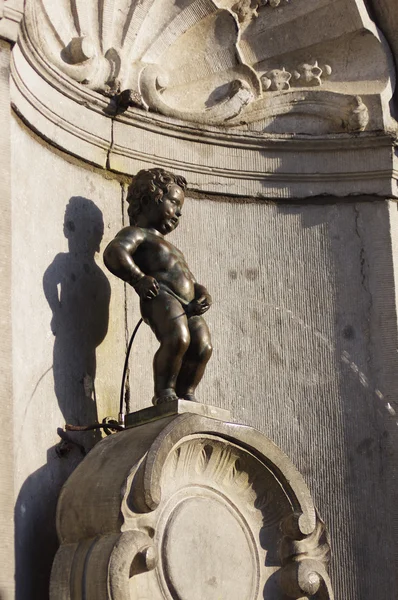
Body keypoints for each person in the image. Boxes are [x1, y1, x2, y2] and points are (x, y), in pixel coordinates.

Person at [104, 168, 212, 405]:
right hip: (160, 295)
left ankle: (186, 393)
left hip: (189, 305)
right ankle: (164, 391)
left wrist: (202, 293)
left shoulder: (172, 248)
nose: (178, 214)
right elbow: (115, 252)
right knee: (177, 338)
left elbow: (190, 279)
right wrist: (138, 278)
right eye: (173, 203)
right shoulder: (137, 234)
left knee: (202, 346)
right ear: (147, 200)